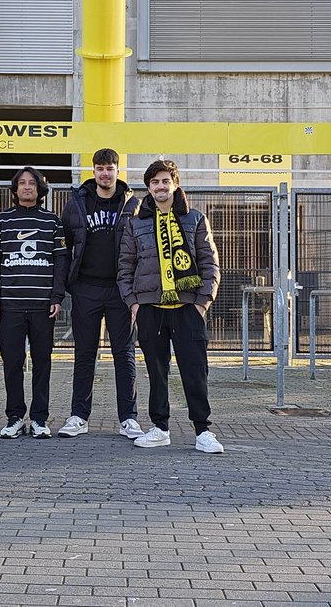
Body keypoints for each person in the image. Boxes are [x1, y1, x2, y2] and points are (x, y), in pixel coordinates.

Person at [117, 159, 224, 454]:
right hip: (150, 308)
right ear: (148, 188)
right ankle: (160, 428)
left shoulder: (195, 219)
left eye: (165, 181)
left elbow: (210, 264)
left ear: (175, 184)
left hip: (188, 308)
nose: (160, 187)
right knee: (156, 371)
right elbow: (125, 267)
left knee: (195, 371)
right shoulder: (136, 223)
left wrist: (202, 303)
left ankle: (203, 431)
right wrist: (134, 304)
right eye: (155, 182)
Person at [57, 148, 143, 439]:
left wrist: (136, 289)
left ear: (118, 170)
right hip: (86, 289)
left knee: (125, 354)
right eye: (100, 168)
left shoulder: (133, 205)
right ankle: (79, 416)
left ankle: (128, 418)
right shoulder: (76, 204)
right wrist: (68, 284)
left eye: (110, 168)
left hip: (121, 291)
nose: (105, 173)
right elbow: (66, 247)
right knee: (84, 354)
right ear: (93, 171)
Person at [0, 167, 68, 439]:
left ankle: (40, 419)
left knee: (42, 362)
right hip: (10, 305)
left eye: (32, 183)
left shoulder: (53, 222)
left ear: (40, 189)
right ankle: (15, 417)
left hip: (43, 306)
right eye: (22, 183)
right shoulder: (0, 222)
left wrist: (57, 296)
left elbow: (61, 262)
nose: (27, 187)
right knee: (12, 363)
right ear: (15, 189)